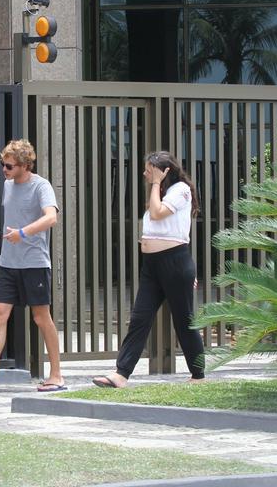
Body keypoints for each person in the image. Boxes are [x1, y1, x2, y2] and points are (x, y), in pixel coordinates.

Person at [0, 139, 65, 393]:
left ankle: (57, 376)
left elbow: (51, 217)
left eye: (9, 165)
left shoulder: (41, 186)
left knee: (41, 318)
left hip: (34, 263)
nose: (4, 170)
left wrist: (23, 233)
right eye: (3, 164)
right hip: (8, 263)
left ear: (25, 165)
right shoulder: (8, 186)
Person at [92, 151, 204, 388]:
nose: (145, 174)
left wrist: (155, 184)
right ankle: (121, 374)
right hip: (152, 266)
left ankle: (198, 375)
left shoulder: (180, 190)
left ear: (165, 172)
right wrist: (156, 186)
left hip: (175, 262)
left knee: (184, 321)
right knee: (140, 318)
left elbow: (157, 213)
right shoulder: (161, 193)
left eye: (149, 171)